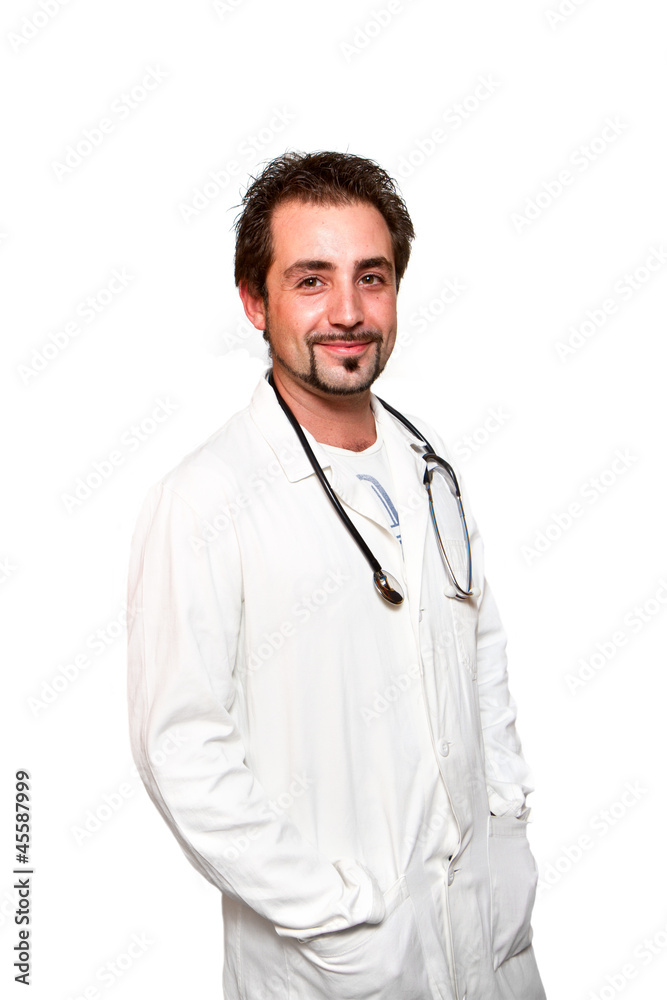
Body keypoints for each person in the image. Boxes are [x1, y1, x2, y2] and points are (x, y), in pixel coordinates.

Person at [127, 150, 546, 1000]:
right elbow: (181, 749)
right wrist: (333, 912)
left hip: (482, 939)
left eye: (372, 277)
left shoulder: (430, 471)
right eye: (311, 280)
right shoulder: (204, 499)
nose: (348, 313)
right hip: (336, 963)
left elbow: (481, 664)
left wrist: (505, 829)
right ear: (255, 300)